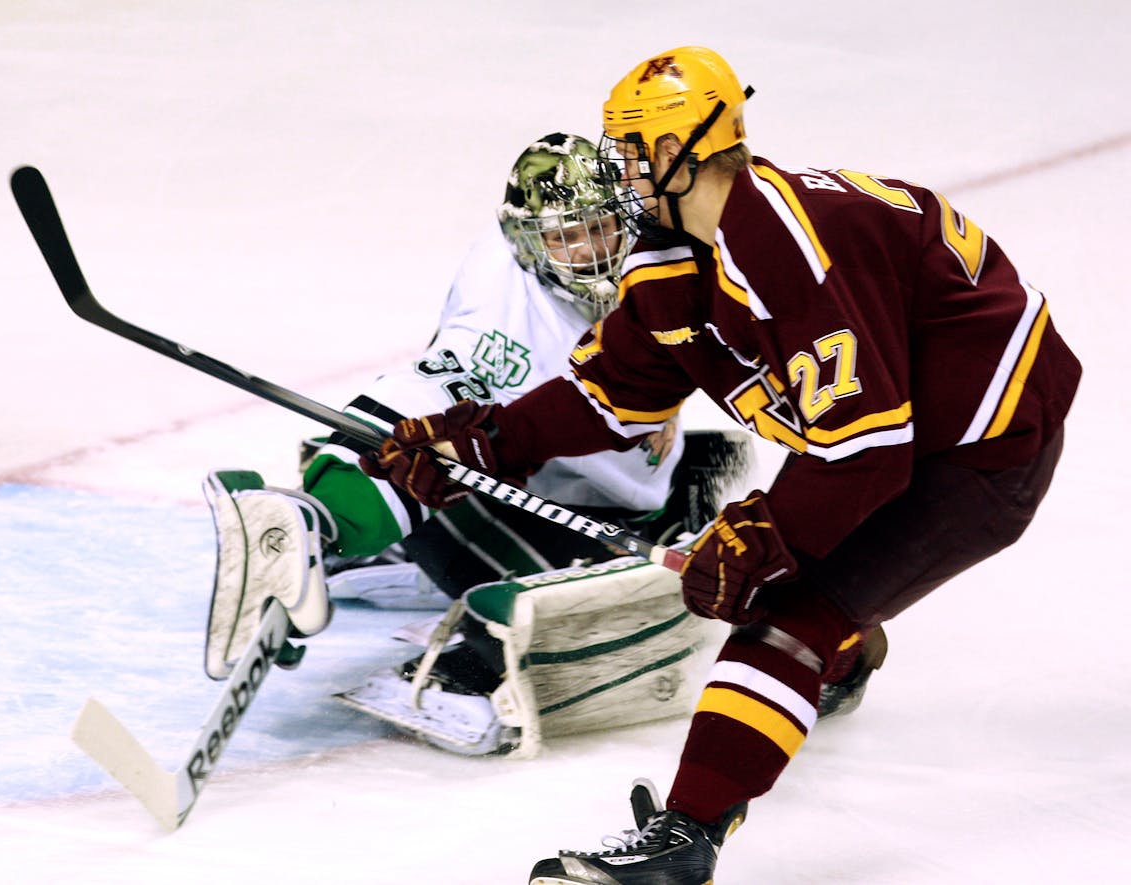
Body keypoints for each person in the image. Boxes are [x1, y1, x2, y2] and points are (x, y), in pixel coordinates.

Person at [362, 47, 1081, 883]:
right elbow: (610, 391)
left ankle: (684, 840)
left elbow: (868, 448)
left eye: (631, 152)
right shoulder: (679, 254)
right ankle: (839, 653)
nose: (621, 172)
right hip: (897, 433)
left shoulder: (783, 239)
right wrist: (473, 442)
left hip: (984, 441)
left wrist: (761, 536)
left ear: (675, 153)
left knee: (786, 615)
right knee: (798, 589)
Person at [205, 132, 754, 757]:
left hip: (624, 484)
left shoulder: (665, 257)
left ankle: (383, 536)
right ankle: (327, 524)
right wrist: (330, 507)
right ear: (524, 241)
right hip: (544, 504)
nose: (590, 254)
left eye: (601, 228)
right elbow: (436, 385)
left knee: (737, 470)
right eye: (563, 238)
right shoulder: (505, 304)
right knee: (575, 598)